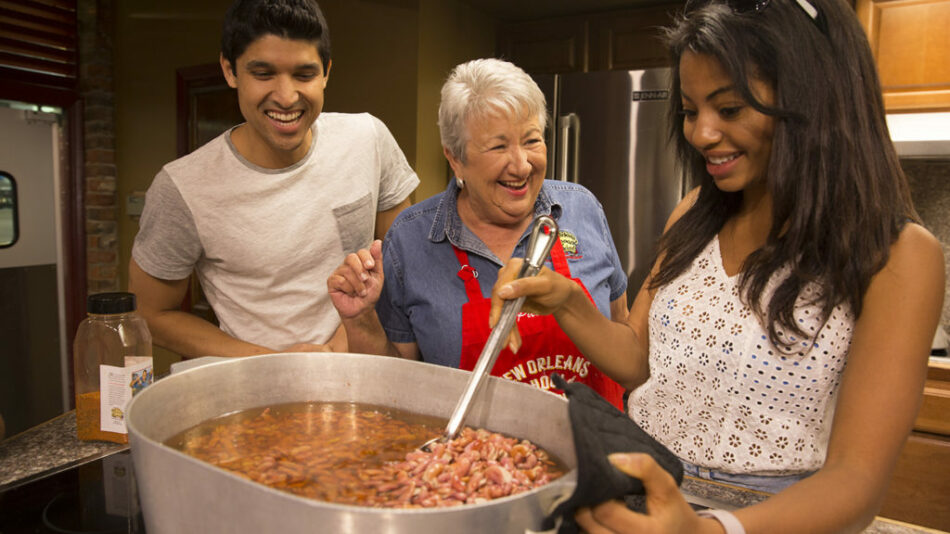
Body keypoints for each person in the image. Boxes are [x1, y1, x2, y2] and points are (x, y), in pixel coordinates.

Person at [489, 0, 945, 531]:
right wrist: (566, 300)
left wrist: (710, 528)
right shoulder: (694, 215)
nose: (700, 134)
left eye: (728, 109)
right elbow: (639, 360)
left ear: (815, 104)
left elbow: (855, 481)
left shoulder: (898, 255)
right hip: (648, 493)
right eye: (689, 110)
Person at [327, 58, 628, 408]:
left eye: (532, 140)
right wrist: (361, 318)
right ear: (455, 158)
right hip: (475, 459)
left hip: (595, 453)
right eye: (498, 147)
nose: (521, 165)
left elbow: (623, 333)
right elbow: (391, 384)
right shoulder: (410, 241)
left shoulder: (582, 209)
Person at [129, 0, 419, 358]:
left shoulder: (369, 140)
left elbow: (405, 265)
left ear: (326, 71)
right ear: (230, 70)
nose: (286, 97)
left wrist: (337, 346)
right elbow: (151, 312)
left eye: (304, 74)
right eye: (263, 73)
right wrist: (273, 363)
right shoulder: (182, 188)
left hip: (363, 371)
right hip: (255, 391)